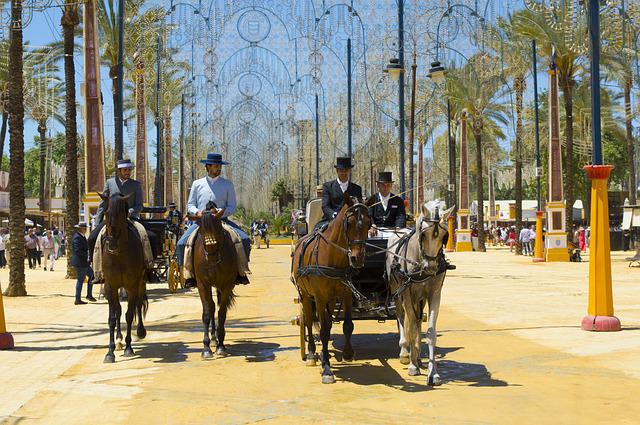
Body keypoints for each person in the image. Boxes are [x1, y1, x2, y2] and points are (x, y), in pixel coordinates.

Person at [176, 153, 251, 288]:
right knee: (182, 243)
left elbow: (232, 206)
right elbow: (190, 204)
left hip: (222, 220)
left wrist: (220, 212)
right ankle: (188, 275)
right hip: (201, 222)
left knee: (244, 239)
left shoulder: (227, 184)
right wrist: (197, 212)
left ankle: (240, 272)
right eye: (216, 166)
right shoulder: (197, 184)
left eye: (220, 166)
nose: (219, 168)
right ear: (208, 167)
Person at [88, 159, 157, 282]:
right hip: (112, 219)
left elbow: (139, 205)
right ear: (119, 171)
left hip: (130, 218)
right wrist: (97, 224)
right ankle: (95, 268)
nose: (128, 172)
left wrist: (130, 212)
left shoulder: (136, 185)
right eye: (125, 170)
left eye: (129, 170)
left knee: (150, 237)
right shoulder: (109, 183)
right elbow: (102, 205)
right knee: (92, 238)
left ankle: (149, 268)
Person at [319, 157, 363, 227]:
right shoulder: (328, 186)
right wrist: (334, 215)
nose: (344, 173)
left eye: (346, 170)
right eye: (341, 170)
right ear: (337, 171)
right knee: (316, 231)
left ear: (349, 171)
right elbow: (325, 206)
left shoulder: (357, 189)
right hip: (331, 221)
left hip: (351, 222)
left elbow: (360, 207)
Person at [367, 171, 406, 237]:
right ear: (378, 185)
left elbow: (401, 216)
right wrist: (372, 225)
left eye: (388, 185)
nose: (385, 188)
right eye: (383, 185)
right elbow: (369, 215)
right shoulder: (371, 199)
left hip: (393, 231)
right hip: (376, 230)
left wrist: (398, 228)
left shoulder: (398, 200)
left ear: (391, 186)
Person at [70, 222, 96, 305]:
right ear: (82, 229)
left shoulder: (82, 236)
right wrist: (87, 255)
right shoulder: (77, 237)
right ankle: (77, 299)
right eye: (85, 228)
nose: (86, 229)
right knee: (80, 280)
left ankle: (89, 295)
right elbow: (78, 250)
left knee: (91, 276)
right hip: (80, 263)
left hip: (84, 263)